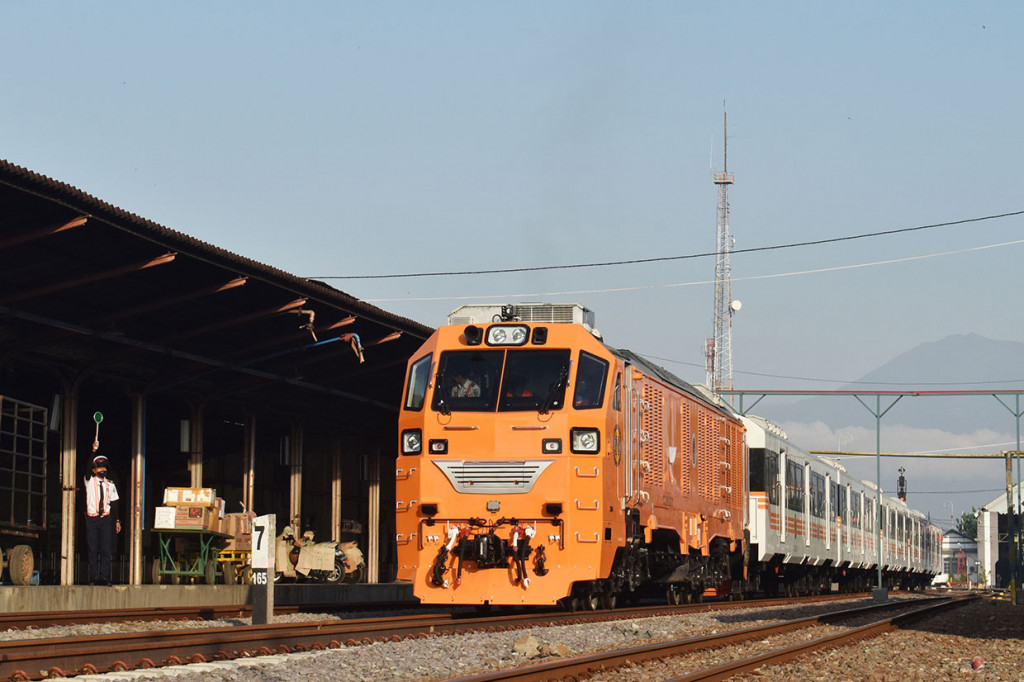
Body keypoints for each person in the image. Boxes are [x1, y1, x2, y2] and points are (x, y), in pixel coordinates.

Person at [83, 450, 121, 585]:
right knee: (93, 549)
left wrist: (117, 520)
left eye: (104, 467)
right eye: (99, 467)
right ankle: (94, 577)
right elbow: (87, 467)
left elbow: (115, 503)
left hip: (105, 519)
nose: (102, 469)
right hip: (92, 519)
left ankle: (105, 577)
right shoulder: (89, 481)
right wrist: (93, 451)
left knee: (106, 549)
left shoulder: (110, 484)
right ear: (94, 470)